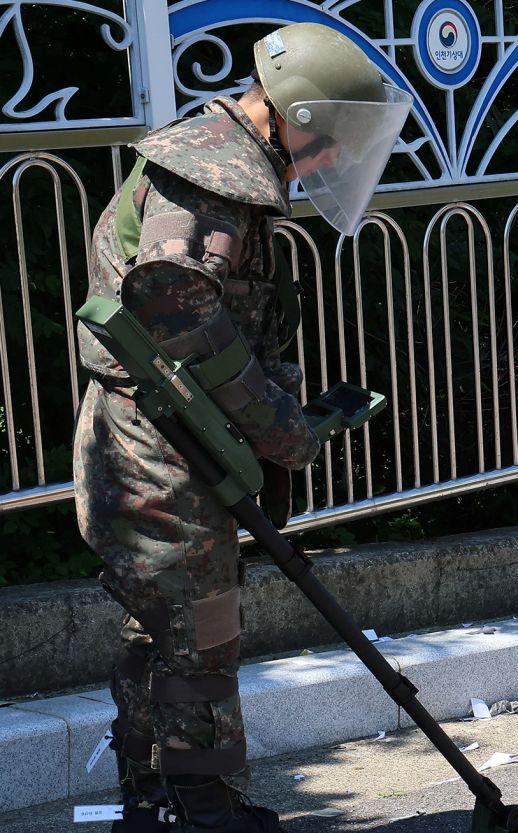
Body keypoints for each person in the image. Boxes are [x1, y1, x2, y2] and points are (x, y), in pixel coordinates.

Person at [72, 23, 410, 832]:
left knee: (164, 626)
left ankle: (154, 800)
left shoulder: (223, 163)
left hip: (165, 438)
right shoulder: (209, 176)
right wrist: (279, 425)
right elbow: (171, 301)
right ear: (291, 114)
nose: (331, 159)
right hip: (158, 446)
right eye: (329, 140)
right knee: (199, 629)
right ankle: (201, 809)